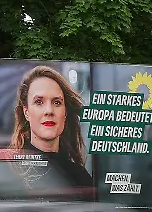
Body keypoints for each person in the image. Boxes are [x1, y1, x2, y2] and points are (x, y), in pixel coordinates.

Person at [8, 65, 94, 193]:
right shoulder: (8, 172)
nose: (49, 111)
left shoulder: (80, 177)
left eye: (57, 102)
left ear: (65, 113)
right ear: (26, 112)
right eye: (39, 102)